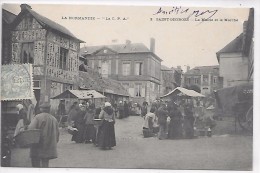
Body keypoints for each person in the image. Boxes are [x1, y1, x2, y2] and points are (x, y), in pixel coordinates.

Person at [28, 102, 59, 168]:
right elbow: (57, 134)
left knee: (36, 162)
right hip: (49, 145)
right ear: (49, 109)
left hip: (38, 144)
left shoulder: (38, 117)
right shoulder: (54, 119)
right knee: (45, 162)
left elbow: (31, 129)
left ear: (41, 109)